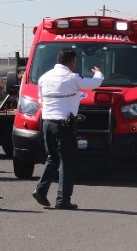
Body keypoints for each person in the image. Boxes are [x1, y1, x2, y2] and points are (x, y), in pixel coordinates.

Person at [31, 48, 103, 210]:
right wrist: (98, 73)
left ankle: (41, 190)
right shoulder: (72, 77)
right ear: (71, 62)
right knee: (67, 162)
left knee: (52, 158)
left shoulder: (44, 77)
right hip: (64, 125)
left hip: (46, 123)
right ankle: (63, 200)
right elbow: (94, 84)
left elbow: (41, 99)